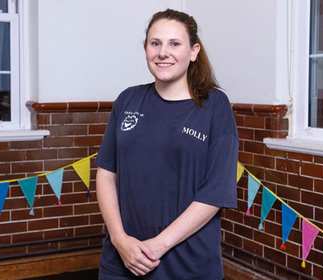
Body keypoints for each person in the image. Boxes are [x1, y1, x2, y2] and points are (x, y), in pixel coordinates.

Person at [96, 9, 238, 280]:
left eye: (174, 43)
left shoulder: (214, 106)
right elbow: (106, 173)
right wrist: (120, 240)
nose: (163, 52)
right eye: (155, 43)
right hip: (122, 260)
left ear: (194, 51)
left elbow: (216, 192)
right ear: (146, 48)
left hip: (187, 265)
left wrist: (156, 246)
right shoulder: (127, 100)